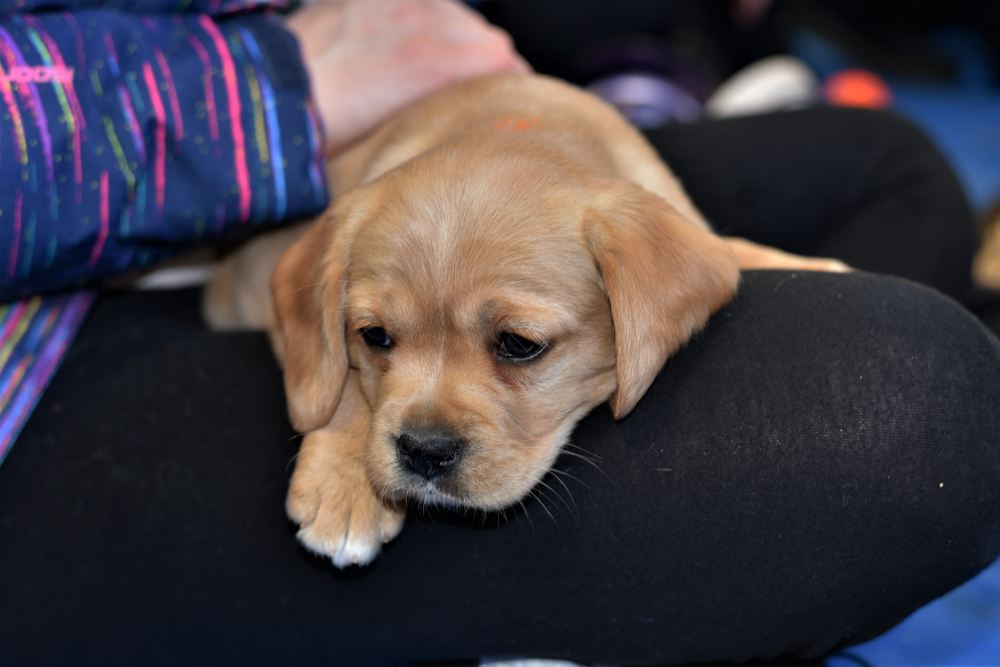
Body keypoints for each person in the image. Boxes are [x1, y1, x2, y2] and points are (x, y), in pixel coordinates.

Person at [0, 1, 997, 665]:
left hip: (466, 150)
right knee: (913, 408)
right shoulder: (335, 259)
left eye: (513, 344)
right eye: (378, 339)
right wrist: (343, 416)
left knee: (886, 163)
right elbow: (266, 282)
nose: (424, 422)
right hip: (57, 357)